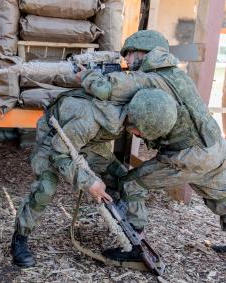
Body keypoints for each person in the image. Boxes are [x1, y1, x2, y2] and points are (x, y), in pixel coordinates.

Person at [78, 30, 226, 260]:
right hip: (213, 147)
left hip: (186, 156)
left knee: (132, 184)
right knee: (221, 198)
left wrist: (85, 76)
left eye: (129, 55)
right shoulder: (177, 74)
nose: (126, 61)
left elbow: (106, 88)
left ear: (142, 53)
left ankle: (135, 244)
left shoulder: (149, 78)